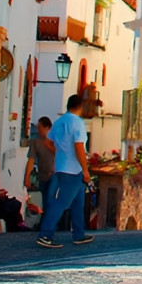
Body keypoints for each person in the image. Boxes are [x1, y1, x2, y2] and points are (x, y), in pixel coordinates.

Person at [37, 95, 94, 248]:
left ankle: (78, 234)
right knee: (61, 202)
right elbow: (79, 147)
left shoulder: (60, 121)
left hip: (61, 166)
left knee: (78, 202)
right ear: (80, 106)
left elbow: (48, 141)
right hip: (73, 169)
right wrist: (85, 170)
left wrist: (59, 152)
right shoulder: (78, 123)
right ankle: (45, 235)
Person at [24, 117, 55, 228]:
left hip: (54, 175)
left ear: (47, 128)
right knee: (45, 200)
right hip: (42, 175)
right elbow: (31, 160)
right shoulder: (36, 142)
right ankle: (46, 224)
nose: (38, 130)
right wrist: (27, 177)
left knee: (50, 198)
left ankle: (49, 225)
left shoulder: (55, 140)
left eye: (40, 127)